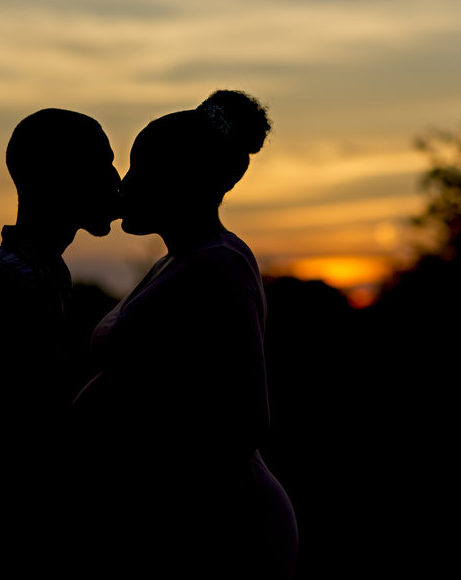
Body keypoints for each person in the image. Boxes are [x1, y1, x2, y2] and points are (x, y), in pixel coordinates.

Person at [69, 90, 298, 578]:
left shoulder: (221, 264)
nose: (126, 185)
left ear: (178, 180)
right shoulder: (177, 260)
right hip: (180, 525)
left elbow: (248, 421)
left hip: (225, 532)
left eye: (139, 170)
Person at [0, 108, 121, 565]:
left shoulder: (43, 272)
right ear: (61, 178)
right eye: (102, 164)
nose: (117, 180)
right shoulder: (9, 280)